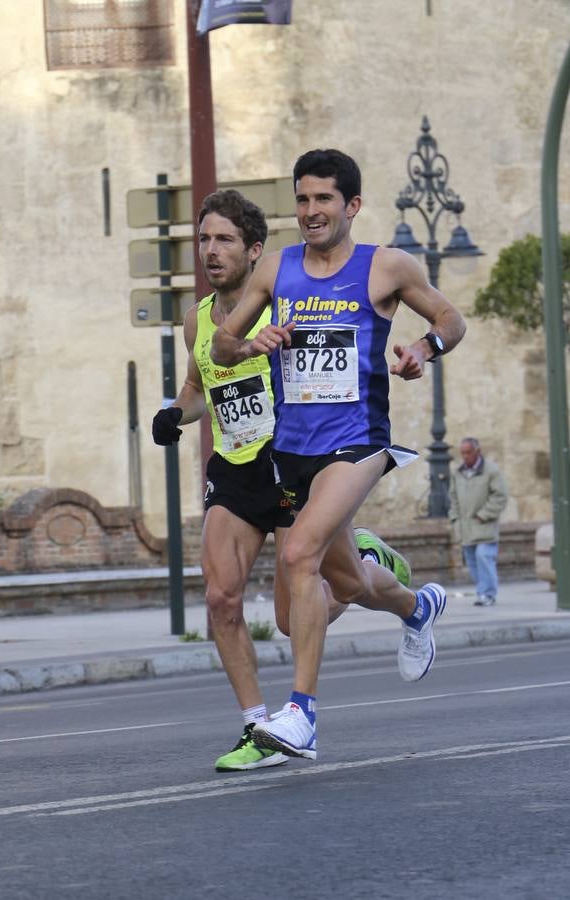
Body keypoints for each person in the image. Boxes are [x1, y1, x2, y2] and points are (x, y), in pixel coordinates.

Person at [211, 149, 466, 761]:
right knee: (338, 583)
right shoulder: (277, 268)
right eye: (302, 199)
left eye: (324, 199)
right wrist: (252, 343)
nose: (310, 211)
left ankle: (302, 715)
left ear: (351, 205)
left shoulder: (386, 267)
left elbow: (451, 318)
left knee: (299, 553)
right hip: (292, 449)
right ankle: (416, 605)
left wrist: (423, 351)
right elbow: (220, 347)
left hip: (357, 443)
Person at [151, 188, 411, 772]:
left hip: (292, 458)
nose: (210, 252)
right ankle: (256, 725)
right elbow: (199, 388)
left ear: (256, 251)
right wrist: (175, 414)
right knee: (221, 597)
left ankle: (366, 568)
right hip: (236, 469)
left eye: (223, 241)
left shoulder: (287, 301)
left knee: (298, 619)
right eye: (203, 239)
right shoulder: (197, 318)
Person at [448, 437, 508, 606]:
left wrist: (484, 514)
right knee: (472, 563)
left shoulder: (491, 471)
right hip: (465, 528)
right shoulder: (457, 473)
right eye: (463, 453)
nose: (465, 456)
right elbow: (453, 498)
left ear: (477, 452)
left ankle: (488, 594)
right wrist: (455, 518)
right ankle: (483, 592)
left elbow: (500, 496)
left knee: (484, 558)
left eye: (468, 452)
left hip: (484, 527)